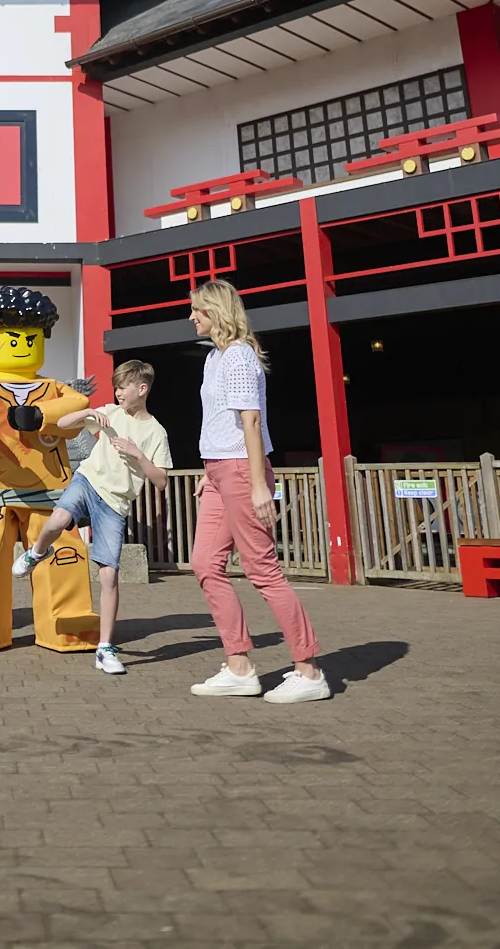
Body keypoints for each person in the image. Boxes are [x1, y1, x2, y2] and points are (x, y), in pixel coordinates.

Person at [187, 281, 330, 703]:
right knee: (205, 564)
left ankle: (309, 671)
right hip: (218, 469)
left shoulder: (238, 357)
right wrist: (207, 469)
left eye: (197, 309)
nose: (191, 317)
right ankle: (240, 668)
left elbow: (250, 421)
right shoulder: (214, 357)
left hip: (240, 470)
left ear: (216, 311)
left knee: (262, 569)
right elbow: (218, 419)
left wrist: (256, 486)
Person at [12, 359, 171, 674]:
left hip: (114, 503)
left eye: (122, 386)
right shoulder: (109, 413)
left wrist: (137, 454)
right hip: (87, 481)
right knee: (57, 520)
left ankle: (105, 649)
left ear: (141, 389)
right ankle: (36, 554)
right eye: (115, 386)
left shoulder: (156, 432)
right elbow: (63, 425)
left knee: (108, 576)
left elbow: (161, 480)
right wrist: (85, 412)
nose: (117, 391)